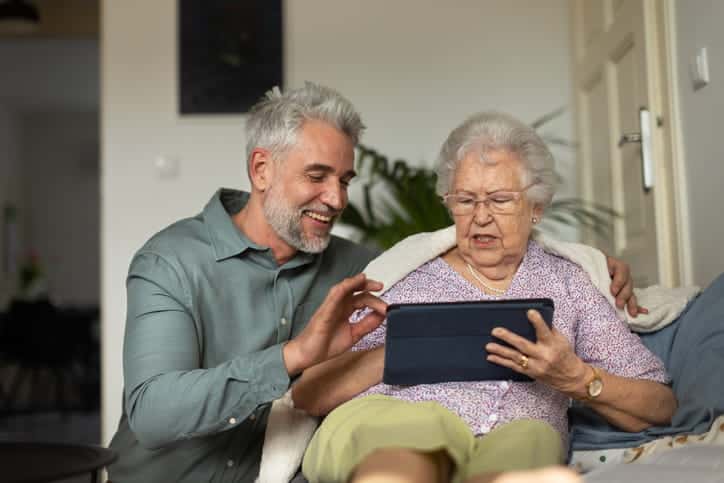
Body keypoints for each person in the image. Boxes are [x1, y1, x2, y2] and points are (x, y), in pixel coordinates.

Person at [107, 83, 637, 483]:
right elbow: (153, 414)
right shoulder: (172, 261)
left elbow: (462, 251)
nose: (336, 199)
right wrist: (292, 356)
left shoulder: (369, 268)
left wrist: (592, 265)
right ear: (262, 169)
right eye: (317, 176)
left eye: (344, 180)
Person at [293, 111, 677, 483]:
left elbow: (659, 405)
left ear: (536, 208)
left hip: (518, 432)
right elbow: (308, 395)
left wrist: (577, 379)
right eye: (465, 200)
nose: (480, 217)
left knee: (531, 441)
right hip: (393, 419)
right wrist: (412, 348)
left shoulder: (569, 284)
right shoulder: (405, 277)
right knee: (418, 438)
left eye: (500, 200)